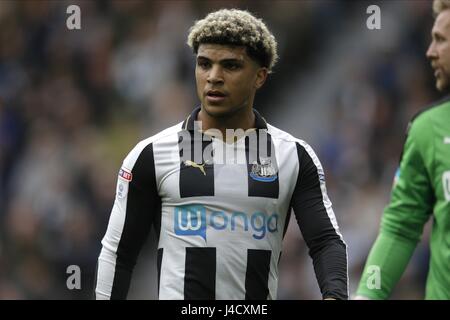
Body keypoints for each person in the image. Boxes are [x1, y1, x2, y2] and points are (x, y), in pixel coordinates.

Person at [94, 8, 348, 300]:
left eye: (230, 66)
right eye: (204, 64)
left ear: (260, 77)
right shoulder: (151, 154)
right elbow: (118, 252)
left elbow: (326, 241)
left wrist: (335, 296)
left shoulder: (293, 156)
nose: (213, 77)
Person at [356, 0, 450, 300]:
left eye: (440, 40)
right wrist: (367, 295)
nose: (430, 52)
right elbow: (400, 227)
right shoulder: (426, 130)